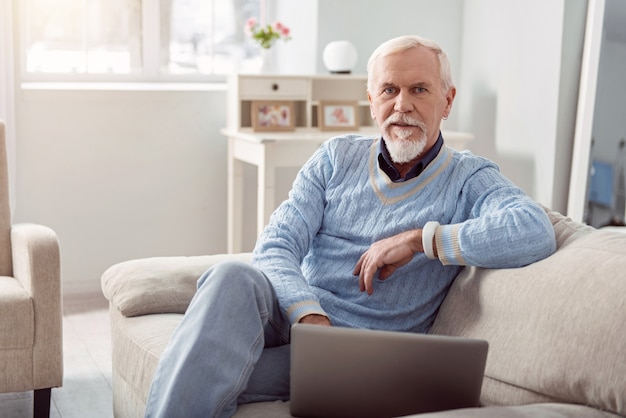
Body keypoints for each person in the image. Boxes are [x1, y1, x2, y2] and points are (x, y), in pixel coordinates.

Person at [144, 35, 556, 418]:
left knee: (197, 367)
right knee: (230, 276)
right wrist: (308, 317)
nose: (402, 105)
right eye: (389, 90)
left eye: (419, 90)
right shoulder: (335, 158)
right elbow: (276, 246)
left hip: (353, 354)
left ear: (447, 101)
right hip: (293, 314)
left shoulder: (468, 177)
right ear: (371, 100)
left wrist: (420, 240)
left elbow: (533, 229)